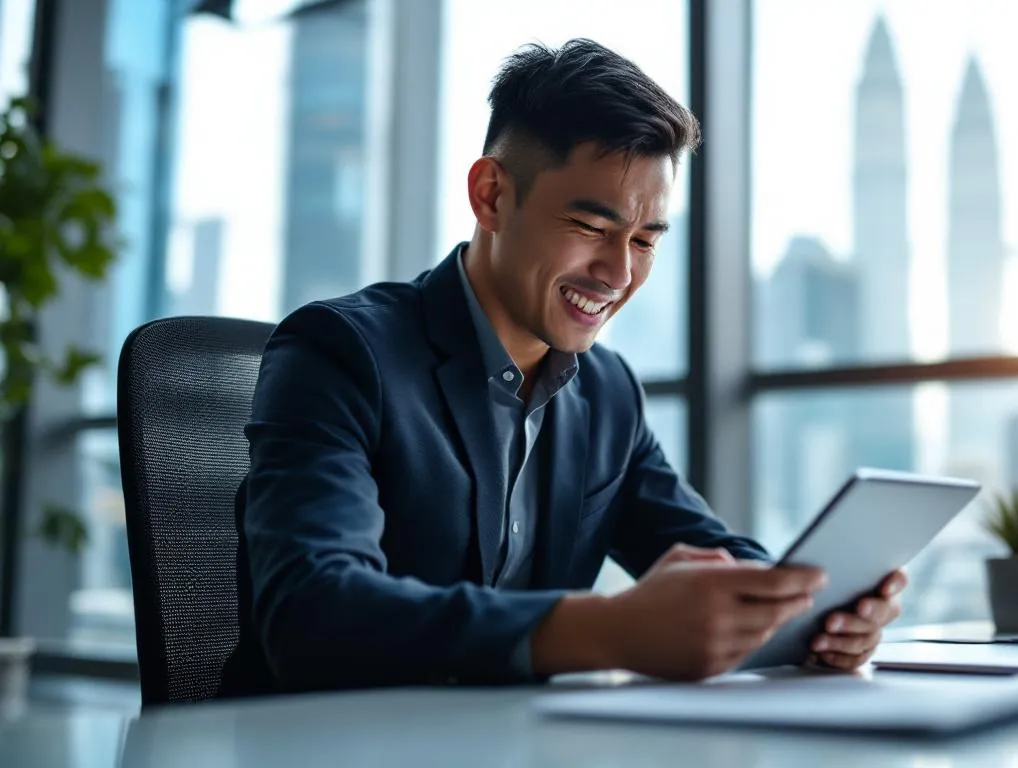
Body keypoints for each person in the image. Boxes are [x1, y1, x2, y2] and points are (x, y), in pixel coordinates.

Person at [219, 39, 907, 696]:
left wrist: (816, 612)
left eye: (644, 239)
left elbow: (715, 558)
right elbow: (312, 614)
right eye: (590, 228)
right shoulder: (339, 354)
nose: (618, 273)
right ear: (491, 195)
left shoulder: (607, 394)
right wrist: (604, 630)